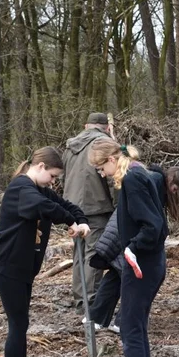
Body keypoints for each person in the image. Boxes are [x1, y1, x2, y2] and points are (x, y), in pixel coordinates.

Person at [0, 147, 90, 357]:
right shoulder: (21, 188)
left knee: (21, 321)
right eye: (52, 176)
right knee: (18, 322)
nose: (53, 182)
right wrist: (69, 221)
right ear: (41, 167)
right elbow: (45, 208)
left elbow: (66, 205)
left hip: (23, 267)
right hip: (6, 265)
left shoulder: (39, 188)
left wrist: (79, 220)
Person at [88, 138, 168, 357]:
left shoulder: (133, 179)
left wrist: (132, 247)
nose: (102, 175)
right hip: (149, 261)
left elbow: (154, 225)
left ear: (112, 160)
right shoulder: (138, 173)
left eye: (102, 169)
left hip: (141, 263)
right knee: (137, 323)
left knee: (130, 326)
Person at [88, 164, 179, 333]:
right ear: (171, 180)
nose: (176, 191)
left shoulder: (155, 181)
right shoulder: (154, 180)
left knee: (117, 276)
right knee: (126, 277)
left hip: (126, 233)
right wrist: (140, 241)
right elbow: (147, 218)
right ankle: (121, 322)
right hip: (126, 234)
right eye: (176, 187)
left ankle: (98, 319)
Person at [61, 112, 117, 315]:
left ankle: (80, 300)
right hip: (97, 207)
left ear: (86, 126)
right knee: (93, 254)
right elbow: (113, 180)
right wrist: (118, 205)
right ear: (106, 128)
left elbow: (62, 177)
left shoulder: (71, 146)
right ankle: (90, 304)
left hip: (72, 207)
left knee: (79, 254)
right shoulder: (105, 145)